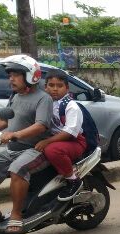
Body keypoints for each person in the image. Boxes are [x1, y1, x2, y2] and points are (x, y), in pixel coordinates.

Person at [0, 55, 52, 233]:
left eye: (16, 75)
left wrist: (15, 135)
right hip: (12, 149)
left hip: (35, 150)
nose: (11, 79)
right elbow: (3, 122)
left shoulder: (43, 98)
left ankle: (16, 214)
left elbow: (41, 125)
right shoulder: (16, 97)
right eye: (10, 75)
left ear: (30, 76)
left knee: (18, 169)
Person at [36, 69, 86, 201]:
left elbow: (70, 132)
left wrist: (47, 142)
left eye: (59, 86)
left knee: (52, 150)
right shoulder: (45, 103)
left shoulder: (70, 106)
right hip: (56, 139)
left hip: (74, 142)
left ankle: (73, 180)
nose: (55, 89)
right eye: (51, 85)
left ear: (67, 88)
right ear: (45, 87)